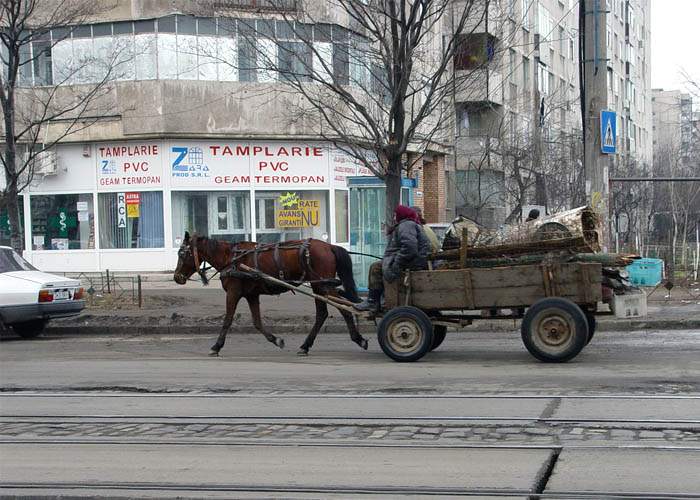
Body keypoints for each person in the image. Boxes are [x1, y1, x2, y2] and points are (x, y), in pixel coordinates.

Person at [354, 205, 430, 313]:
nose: (394, 218)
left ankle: (372, 301)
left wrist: (396, 264)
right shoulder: (409, 224)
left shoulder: (406, 225)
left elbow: (410, 248)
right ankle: (376, 300)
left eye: (395, 215)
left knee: (375, 267)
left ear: (401, 215)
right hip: (415, 261)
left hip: (413, 263)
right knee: (379, 265)